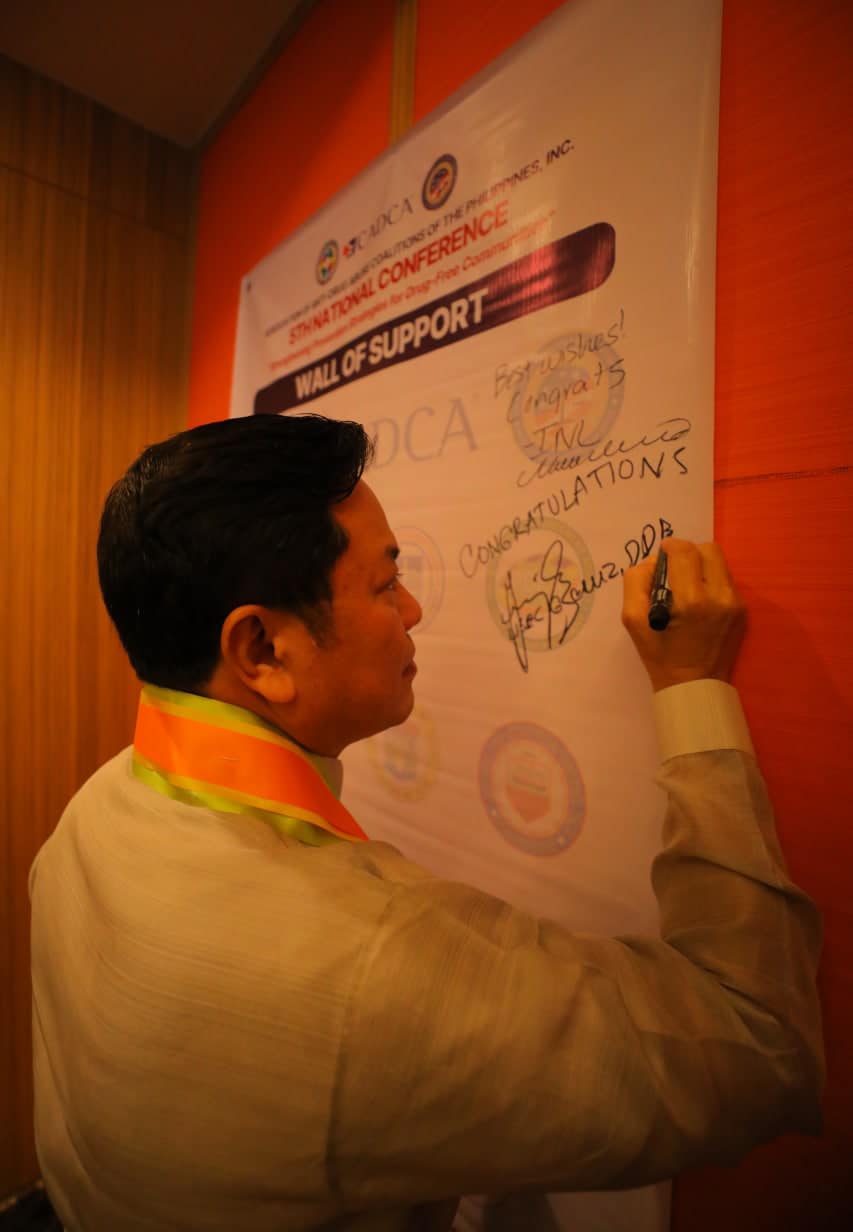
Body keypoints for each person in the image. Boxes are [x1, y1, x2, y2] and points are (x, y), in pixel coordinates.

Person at [29, 413, 824, 1232]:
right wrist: (692, 687)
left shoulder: (92, 813)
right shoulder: (368, 965)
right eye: (384, 584)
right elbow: (756, 1042)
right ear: (262, 650)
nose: (411, 609)